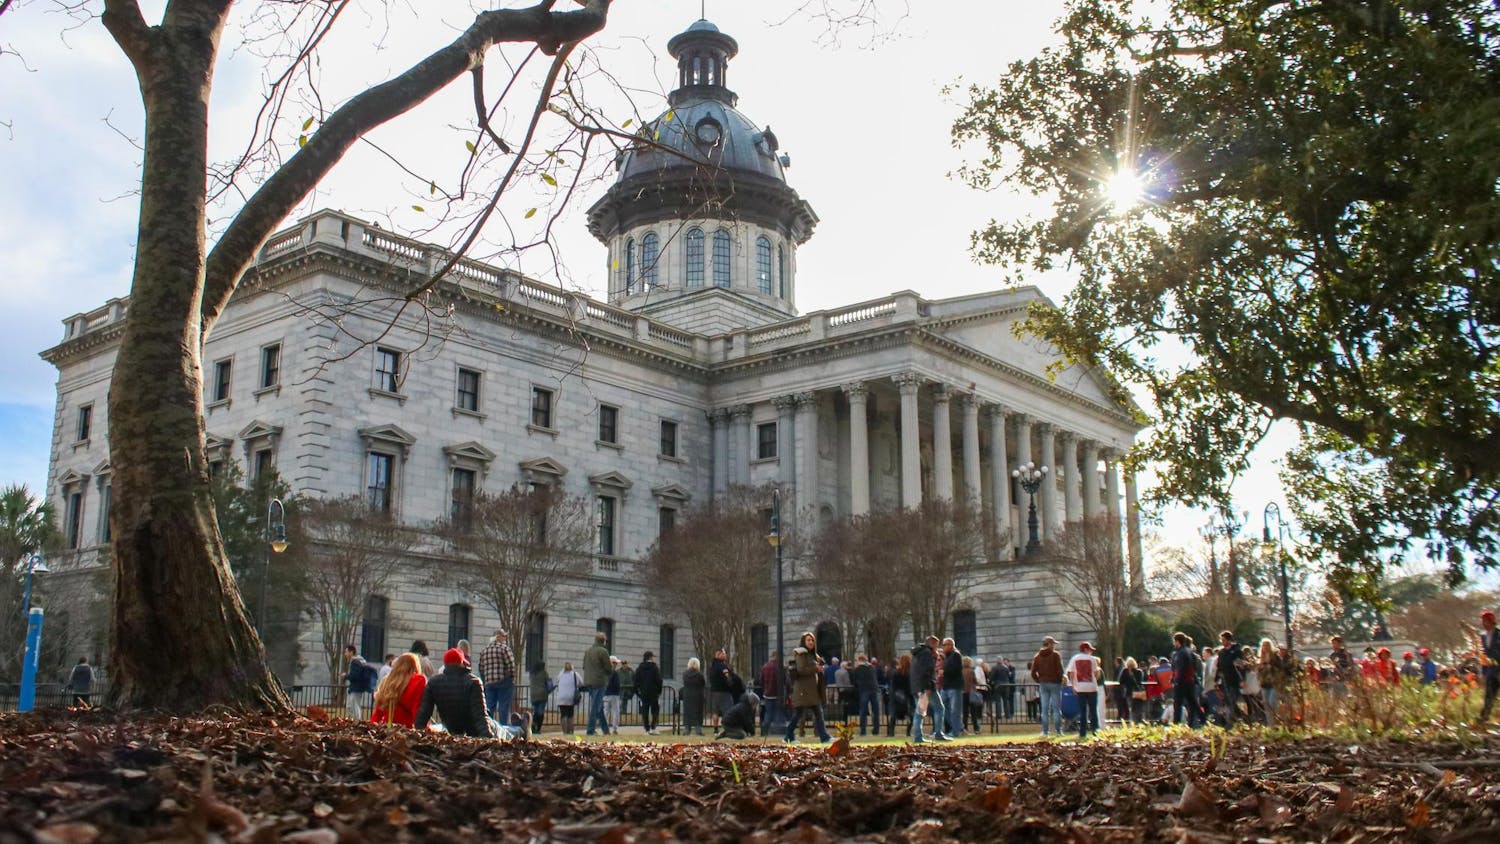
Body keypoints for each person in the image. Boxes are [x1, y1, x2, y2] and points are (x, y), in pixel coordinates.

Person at [415, 647, 494, 738]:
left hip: (452, 730)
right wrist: (487, 737)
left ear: (445, 664)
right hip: (473, 731)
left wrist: (418, 734)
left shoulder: (433, 683)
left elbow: (424, 713)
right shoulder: (473, 681)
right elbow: (480, 715)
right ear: (461, 663)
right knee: (497, 727)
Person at [785, 632, 831, 744]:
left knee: (818, 712)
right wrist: (816, 669)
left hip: (812, 691)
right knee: (798, 714)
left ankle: (824, 737)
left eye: (812, 640)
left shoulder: (813, 655)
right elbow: (801, 669)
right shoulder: (801, 654)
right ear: (803, 642)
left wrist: (819, 668)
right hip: (803, 690)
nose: (811, 642)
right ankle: (788, 735)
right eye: (808, 640)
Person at [372, 653, 427, 727]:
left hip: (388, 727)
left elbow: (378, 712)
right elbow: (416, 708)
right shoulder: (417, 680)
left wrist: (372, 725)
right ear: (415, 666)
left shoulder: (387, 681)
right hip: (407, 727)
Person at [910, 635, 947, 743]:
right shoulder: (926, 654)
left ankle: (918, 736)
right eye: (937, 644)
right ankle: (938, 733)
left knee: (920, 711)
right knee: (939, 708)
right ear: (932, 643)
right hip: (926, 686)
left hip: (917, 686)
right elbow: (926, 671)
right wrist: (927, 686)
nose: (938, 647)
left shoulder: (918, 653)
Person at [478, 630, 516, 723]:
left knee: (489, 707)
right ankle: (503, 727)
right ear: (499, 637)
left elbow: (481, 668)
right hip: (503, 682)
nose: (505, 639)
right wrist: (510, 678)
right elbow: (511, 666)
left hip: (489, 683)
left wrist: (486, 679)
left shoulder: (484, 651)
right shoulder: (505, 649)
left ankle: (489, 727)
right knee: (504, 707)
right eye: (504, 636)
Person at [1066, 642, 1101, 738]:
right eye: (1090, 650)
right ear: (1086, 649)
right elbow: (1096, 673)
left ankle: (1082, 732)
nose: (1091, 652)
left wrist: (1073, 686)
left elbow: (1071, 673)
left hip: (1080, 688)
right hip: (1092, 687)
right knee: (1093, 711)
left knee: (1083, 711)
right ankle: (1095, 731)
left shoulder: (1074, 659)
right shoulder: (1092, 659)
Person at [1031, 636, 1065, 737]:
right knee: (1056, 708)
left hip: (1043, 684)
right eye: (1053, 644)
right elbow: (1060, 670)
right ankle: (1058, 731)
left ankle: (1045, 731)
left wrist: (1039, 680)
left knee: (1044, 709)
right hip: (1055, 683)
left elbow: (1033, 672)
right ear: (1049, 644)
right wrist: (1060, 680)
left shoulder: (1037, 657)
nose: (1054, 646)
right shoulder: (1055, 655)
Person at [583, 631, 612, 736]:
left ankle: (606, 730)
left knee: (598, 706)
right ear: (603, 641)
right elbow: (608, 668)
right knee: (596, 706)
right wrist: (611, 668)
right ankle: (590, 730)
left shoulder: (588, 651)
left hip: (588, 681)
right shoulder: (603, 651)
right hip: (599, 681)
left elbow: (584, 666)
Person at [1171, 633, 1203, 728]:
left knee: (1177, 704)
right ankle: (1203, 719)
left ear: (1177, 641)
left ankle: (1176, 724)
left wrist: (1176, 680)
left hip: (1182, 682)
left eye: (1174, 641)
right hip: (1188, 681)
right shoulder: (1186, 652)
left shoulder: (1182, 653)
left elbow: (1181, 668)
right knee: (1192, 702)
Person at [1214, 631, 1245, 727]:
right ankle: (1239, 718)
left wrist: (1242, 679)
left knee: (1232, 701)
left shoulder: (1236, 651)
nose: (1222, 642)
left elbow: (1240, 666)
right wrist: (1216, 680)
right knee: (1227, 702)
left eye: (1224, 640)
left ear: (1229, 640)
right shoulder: (1222, 652)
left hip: (1234, 680)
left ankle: (1231, 723)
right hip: (1224, 681)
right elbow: (1219, 667)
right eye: (1221, 640)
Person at [343, 644, 377, 721]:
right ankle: (354, 721)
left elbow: (355, 676)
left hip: (356, 688)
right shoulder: (360, 661)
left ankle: (356, 722)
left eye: (346, 652)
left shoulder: (355, 662)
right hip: (358, 687)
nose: (345, 654)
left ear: (351, 652)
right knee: (352, 705)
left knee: (354, 706)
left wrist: (346, 675)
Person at [635, 651, 664, 735]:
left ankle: (646, 729)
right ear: (650, 657)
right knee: (655, 709)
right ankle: (653, 727)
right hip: (653, 692)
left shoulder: (640, 667)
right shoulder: (654, 667)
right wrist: (659, 691)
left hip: (644, 692)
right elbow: (659, 680)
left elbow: (636, 680)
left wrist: (638, 691)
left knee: (645, 710)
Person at [852, 653, 881, 736]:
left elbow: (854, 681)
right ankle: (876, 729)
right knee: (875, 710)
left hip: (864, 689)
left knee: (863, 711)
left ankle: (863, 730)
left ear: (859, 660)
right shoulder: (872, 667)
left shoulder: (858, 669)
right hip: (874, 689)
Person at [553, 661, 584, 735]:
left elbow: (556, 681)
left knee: (563, 714)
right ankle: (570, 731)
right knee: (570, 715)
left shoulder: (561, 674)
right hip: (570, 696)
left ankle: (564, 731)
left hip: (561, 697)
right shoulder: (575, 674)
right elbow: (581, 683)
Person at [1480, 610, 1500, 722]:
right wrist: (1483, 672)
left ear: (1492, 622)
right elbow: (1483, 655)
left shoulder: (1499, 634)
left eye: (1486, 621)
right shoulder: (1483, 636)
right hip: (1490, 671)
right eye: (1483, 621)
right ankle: (1484, 717)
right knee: (1489, 694)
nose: (1484, 623)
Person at [887, 653, 912, 737]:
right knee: (909, 714)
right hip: (908, 695)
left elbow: (893, 685)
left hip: (897, 695)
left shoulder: (896, 672)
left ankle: (891, 732)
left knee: (894, 715)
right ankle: (908, 732)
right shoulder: (911, 672)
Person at [758, 651, 783, 735]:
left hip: (767, 694)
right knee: (777, 713)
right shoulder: (779, 666)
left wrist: (764, 689)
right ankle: (776, 731)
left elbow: (761, 680)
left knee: (768, 713)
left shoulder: (765, 667)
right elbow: (785, 680)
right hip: (777, 693)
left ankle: (764, 731)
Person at [681, 657, 707, 735]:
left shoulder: (685, 673)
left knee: (687, 712)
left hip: (687, 695)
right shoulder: (699, 674)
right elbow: (703, 683)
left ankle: (687, 730)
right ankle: (698, 730)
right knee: (698, 712)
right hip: (697, 695)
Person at [708, 648, 734, 722]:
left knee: (715, 711)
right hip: (724, 692)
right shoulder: (722, 666)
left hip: (714, 692)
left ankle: (715, 730)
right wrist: (731, 685)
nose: (725, 655)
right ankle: (727, 726)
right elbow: (728, 678)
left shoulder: (712, 666)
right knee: (727, 710)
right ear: (719, 654)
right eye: (724, 654)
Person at [1117, 657, 1145, 724]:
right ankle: (1137, 721)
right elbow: (1139, 682)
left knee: (1131, 708)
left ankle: (1133, 722)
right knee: (1138, 708)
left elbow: (1120, 681)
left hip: (1128, 692)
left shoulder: (1124, 671)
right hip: (1138, 692)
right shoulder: (1139, 672)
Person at [962, 656, 984, 734]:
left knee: (965, 713)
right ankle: (976, 729)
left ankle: (964, 728)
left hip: (963, 693)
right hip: (971, 692)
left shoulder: (961, 671)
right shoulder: (971, 671)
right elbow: (975, 681)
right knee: (973, 712)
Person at [529, 661, 551, 735]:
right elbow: (549, 683)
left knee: (535, 711)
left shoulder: (532, 673)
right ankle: (538, 728)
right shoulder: (544, 673)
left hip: (533, 695)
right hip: (542, 694)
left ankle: (533, 726)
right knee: (540, 712)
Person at [604, 656, 623, 732]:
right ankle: (614, 728)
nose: (616, 665)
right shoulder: (614, 672)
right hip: (614, 694)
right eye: (615, 663)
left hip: (605, 693)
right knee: (615, 711)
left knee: (606, 711)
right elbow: (616, 684)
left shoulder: (604, 671)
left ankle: (605, 727)